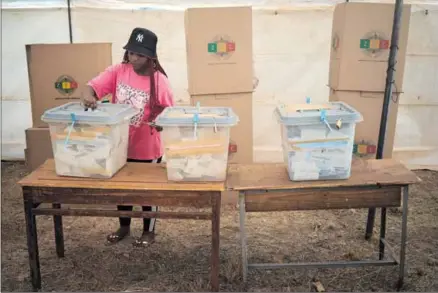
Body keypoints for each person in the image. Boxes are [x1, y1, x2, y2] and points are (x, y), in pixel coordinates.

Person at [82, 27, 174, 247]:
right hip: (120, 144)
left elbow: (170, 115)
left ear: (151, 56)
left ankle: (148, 232)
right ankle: (124, 227)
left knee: (146, 194)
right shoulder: (118, 71)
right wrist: (88, 97)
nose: (134, 58)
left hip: (146, 148)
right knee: (121, 191)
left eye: (140, 54)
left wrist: (160, 123)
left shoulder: (160, 81)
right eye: (131, 52)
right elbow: (91, 88)